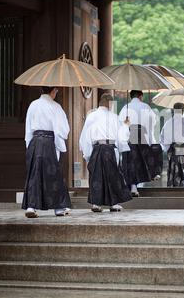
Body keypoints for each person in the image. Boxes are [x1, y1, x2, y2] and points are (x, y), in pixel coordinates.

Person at [22, 86, 71, 218]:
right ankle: (59, 208)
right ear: (54, 90)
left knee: (34, 174)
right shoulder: (56, 107)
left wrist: (29, 145)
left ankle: (31, 207)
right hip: (49, 142)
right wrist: (60, 145)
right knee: (54, 175)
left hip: (35, 142)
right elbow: (63, 130)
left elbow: (28, 127)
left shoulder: (33, 105)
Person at [79, 93, 132, 212]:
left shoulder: (91, 116)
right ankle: (113, 204)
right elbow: (121, 137)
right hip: (110, 148)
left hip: (97, 148)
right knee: (113, 175)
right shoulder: (114, 117)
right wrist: (125, 125)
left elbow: (85, 136)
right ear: (110, 103)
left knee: (96, 176)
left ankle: (96, 204)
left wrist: (87, 154)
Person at [119, 90, 163, 197]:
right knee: (142, 161)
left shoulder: (126, 108)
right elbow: (153, 122)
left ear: (131, 97)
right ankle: (151, 176)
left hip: (129, 136)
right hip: (143, 136)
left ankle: (134, 187)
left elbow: (121, 123)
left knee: (131, 162)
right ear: (141, 96)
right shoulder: (146, 107)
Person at [160, 102, 184, 187]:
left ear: (174, 110)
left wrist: (167, 147)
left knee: (174, 171)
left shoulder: (168, 123)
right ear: (183, 110)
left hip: (174, 151)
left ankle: (174, 189)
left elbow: (163, 139)